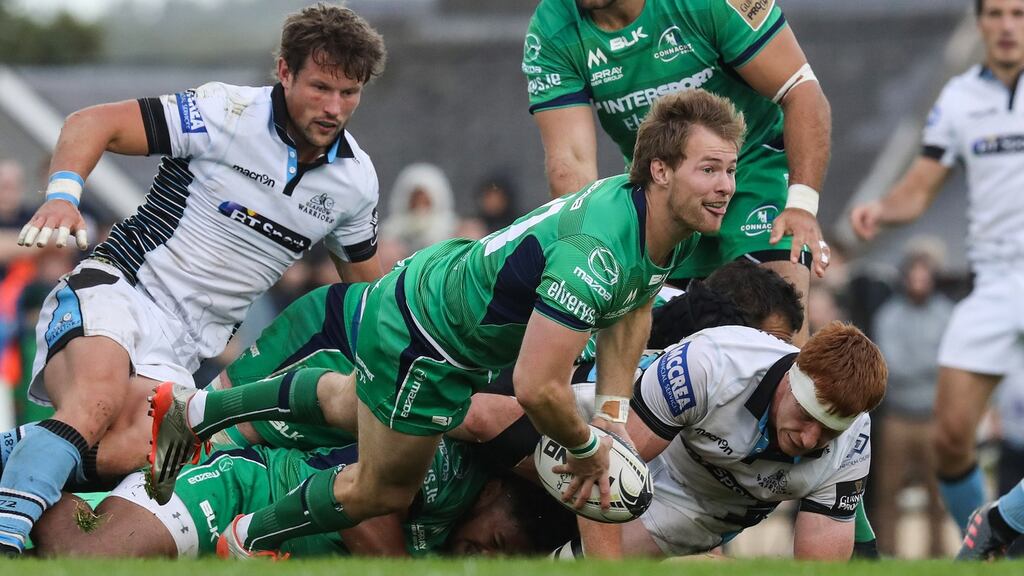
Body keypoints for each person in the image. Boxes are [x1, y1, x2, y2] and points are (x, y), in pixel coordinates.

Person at [148, 89, 745, 558]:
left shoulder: (652, 217)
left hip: (436, 310)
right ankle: (247, 542)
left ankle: (198, 411)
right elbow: (539, 388)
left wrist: (613, 419)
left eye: (731, 171)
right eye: (711, 170)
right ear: (661, 171)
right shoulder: (597, 249)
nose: (726, 188)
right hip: (428, 338)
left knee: (356, 402)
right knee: (382, 489)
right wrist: (588, 447)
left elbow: (632, 306)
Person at [0, 4, 386, 555]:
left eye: (349, 93)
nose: (333, 107)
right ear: (284, 71)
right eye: (320, 87)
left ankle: (12, 455)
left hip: (184, 348)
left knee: (139, 449)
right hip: (122, 288)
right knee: (95, 403)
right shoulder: (224, 111)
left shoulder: (356, 182)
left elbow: (369, 291)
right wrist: (63, 196)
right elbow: (91, 122)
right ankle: (6, 542)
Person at [523, 0, 833, 345]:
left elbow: (802, 90)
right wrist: (585, 262)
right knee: (660, 351)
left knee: (776, 336)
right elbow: (571, 160)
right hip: (666, 186)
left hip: (755, 167)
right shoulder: (551, 25)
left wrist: (802, 204)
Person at [849, 0, 1024, 536]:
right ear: (980, 23)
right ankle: (987, 543)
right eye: (994, 14)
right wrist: (883, 208)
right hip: (993, 281)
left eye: (1018, 13)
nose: (1006, 26)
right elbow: (920, 186)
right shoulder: (960, 97)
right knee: (950, 440)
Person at [565, 322, 884, 559]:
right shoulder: (715, 364)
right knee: (522, 413)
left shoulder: (853, 443)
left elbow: (818, 568)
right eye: (806, 415)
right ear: (791, 377)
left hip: (702, 506)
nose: (809, 438)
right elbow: (609, 464)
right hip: (651, 436)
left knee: (567, 565)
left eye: (829, 430)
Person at [31, 436, 559, 559]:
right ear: (494, 492)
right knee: (85, 561)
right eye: (494, 541)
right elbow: (358, 508)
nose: (487, 558)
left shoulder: (453, 544)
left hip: (245, 557)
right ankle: (34, 488)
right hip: (239, 493)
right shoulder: (452, 466)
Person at [870, 243, 954, 557]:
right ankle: (887, 551)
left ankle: (939, 553)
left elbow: (949, 360)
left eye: (924, 276)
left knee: (939, 493)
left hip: (934, 418)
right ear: (905, 277)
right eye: (913, 275)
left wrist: (928, 364)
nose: (918, 281)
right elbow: (892, 363)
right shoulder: (889, 314)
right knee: (888, 490)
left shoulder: (947, 313)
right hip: (897, 418)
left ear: (933, 278)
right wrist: (930, 364)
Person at [380, 162, 458, 254]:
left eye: (425, 200)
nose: (420, 205)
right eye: (415, 199)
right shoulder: (391, 231)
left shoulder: (452, 229)